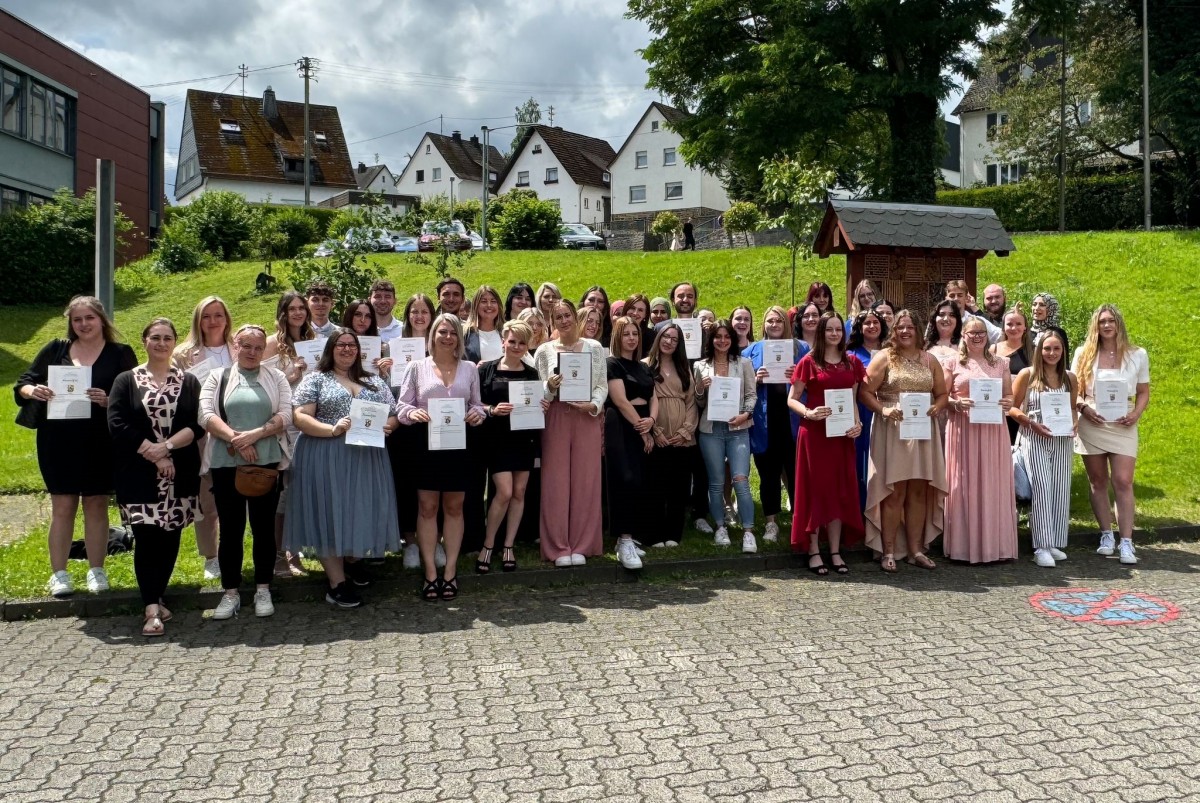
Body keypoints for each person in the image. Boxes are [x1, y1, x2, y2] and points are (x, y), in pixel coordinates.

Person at [15, 295, 137, 597]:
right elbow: (23, 383)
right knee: (63, 505)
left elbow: (134, 397)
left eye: (89, 318)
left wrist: (109, 400)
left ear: (102, 320)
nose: (83, 324)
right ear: (71, 323)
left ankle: (96, 570)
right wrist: (34, 390)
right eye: (77, 319)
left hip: (101, 441)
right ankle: (59, 574)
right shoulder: (56, 349)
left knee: (96, 504)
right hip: (58, 441)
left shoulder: (121, 353)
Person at [285, 330, 400, 607]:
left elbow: (394, 415)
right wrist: (332, 429)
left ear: (359, 351)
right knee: (329, 512)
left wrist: (389, 426)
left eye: (352, 345)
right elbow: (300, 417)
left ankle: (353, 562)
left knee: (358, 509)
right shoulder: (316, 379)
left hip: (366, 458)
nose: (347, 349)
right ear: (330, 350)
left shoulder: (374, 380)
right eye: (341, 345)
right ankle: (337, 583)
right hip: (326, 454)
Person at [108, 318, 204, 636]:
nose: (161, 343)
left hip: (180, 472)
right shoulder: (126, 380)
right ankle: (151, 608)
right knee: (147, 539)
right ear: (144, 341)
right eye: (155, 338)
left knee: (170, 539)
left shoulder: (188, 381)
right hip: (138, 473)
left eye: (167, 338)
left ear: (174, 342)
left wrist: (167, 448)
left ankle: (157, 596)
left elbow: (197, 423)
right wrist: (153, 452)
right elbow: (117, 421)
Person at [199, 324, 292, 619]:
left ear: (264, 350)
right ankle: (231, 593)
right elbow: (206, 415)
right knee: (231, 530)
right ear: (235, 346)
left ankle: (263, 589)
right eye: (245, 345)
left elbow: (286, 415)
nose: (252, 352)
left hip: (265, 461)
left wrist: (253, 436)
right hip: (226, 463)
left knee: (264, 528)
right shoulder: (218, 376)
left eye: (257, 347)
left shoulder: (275, 377)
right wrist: (236, 440)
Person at [394, 313, 488, 599]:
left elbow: (478, 404)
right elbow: (402, 405)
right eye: (442, 332)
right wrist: (412, 412)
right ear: (432, 334)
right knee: (427, 507)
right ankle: (430, 573)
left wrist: (477, 413)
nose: (448, 337)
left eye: (453, 333)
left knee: (455, 507)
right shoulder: (416, 367)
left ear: (459, 338)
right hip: (427, 445)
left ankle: (450, 571)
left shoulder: (470, 368)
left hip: (460, 446)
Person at [859, 309, 949, 572]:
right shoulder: (884, 358)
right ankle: (888, 550)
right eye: (900, 328)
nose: (905, 332)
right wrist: (884, 410)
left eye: (910, 327)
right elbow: (865, 391)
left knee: (919, 491)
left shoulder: (929, 359)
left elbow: (942, 393)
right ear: (894, 331)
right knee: (894, 491)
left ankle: (915, 550)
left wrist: (937, 407)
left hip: (923, 430)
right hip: (893, 430)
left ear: (918, 330)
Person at [788, 312, 866, 575]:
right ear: (821, 333)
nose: (834, 334)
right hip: (814, 435)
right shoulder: (808, 362)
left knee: (838, 491)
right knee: (816, 490)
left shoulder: (852, 362)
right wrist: (808, 413)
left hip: (841, 437)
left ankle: (834, 551)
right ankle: (813, 550)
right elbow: (792, 398)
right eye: (829, 330)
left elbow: (853, 400)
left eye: (838, 330)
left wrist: (858, 424)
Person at [1072, 304, 1150, 565]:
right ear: (1096, 325)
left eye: (1111, 321)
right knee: (1097, 481)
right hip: (1092, 419)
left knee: (1123, 480)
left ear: (1119, 324)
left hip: (1123, 422)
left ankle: (1126, 541)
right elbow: (1074, 390)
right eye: (1102, 321)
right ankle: (1106, 534)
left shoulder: (1137, 354)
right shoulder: (1083, 353)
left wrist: (1135, 415)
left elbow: (1143, 392)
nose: (1107, 326)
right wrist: (1083, 409)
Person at [532, 299, 607, 567]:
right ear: (552, 321)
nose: (564, 320)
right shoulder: (544, 351)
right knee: (556, 482)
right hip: (557, 417)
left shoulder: (595, 348)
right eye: (558, 317)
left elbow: (601, 385)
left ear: (576, 317)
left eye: (568, 315)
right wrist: (549, 385)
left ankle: (583, 544)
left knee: (587, 481)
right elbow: (541, 392)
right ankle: (558, 546)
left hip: (586, 415)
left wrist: (594, 405)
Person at [941, 317, 1018, 564]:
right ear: (963, 335)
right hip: (963, 429)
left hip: (993, 431)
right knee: (963, 484)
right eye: (972, 333)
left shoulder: (1001, 363)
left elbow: (1008, 395)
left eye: (981, 333)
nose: (977, 337)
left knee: (992, 483)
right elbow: (941, 396)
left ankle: (996, 546)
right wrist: (955, 403)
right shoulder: (953, 362)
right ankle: (963, 547)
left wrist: (1007, 402)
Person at [171, 295, 234, 580]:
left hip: (239, 430)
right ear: (198, 320)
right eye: (206, 316)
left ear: (226, 318)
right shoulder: (184, 354)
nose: (212, 321)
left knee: (240, 495)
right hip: (202, 433)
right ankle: (211, 556)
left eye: (218, 315)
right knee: (206, 499)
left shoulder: (238, 347)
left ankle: (235, 551)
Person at [475, 321, 545, 574]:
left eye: (522, 343)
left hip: (524, 438)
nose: (516, 346)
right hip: (497, 439)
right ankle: (488, 543)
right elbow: (475, 404)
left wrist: (542, 407)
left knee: (519, 492)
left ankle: (508, 545)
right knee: (503, 492)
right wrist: (492, 410)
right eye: (512, 341)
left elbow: (536, 403)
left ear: (527, 346)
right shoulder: (487, 370)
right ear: (503, 341)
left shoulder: (531, 373)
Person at [1010, 327, 1078, 568]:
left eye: (1056, 349)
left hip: (1061, 439)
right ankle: (1040, 545)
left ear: (1063, 351)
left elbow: (1071, 408)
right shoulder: (1027, 375)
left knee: (1060, 488)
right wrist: (1029, 422)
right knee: (1042, 487)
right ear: (1039, 350)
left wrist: (1075, 424)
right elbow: (1012, 407)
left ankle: (1054, 542)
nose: (1051, 353)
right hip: (1034, 437)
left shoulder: (1069, 377)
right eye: (1047, 348)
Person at [744, 306, 807, 542]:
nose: (774, 325)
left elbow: (813, 382)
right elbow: (743, 389)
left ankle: (798, 521)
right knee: (768, 474)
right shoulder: (751, 351)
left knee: (796, 473)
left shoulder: (801, 348)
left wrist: (798, 377)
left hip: (793, 421)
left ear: (786, 324)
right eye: (770, 321)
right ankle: (771, 522)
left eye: (779, 321)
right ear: (764, 324)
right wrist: (756, 379)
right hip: (764, 423)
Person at [262, 291, 314, 577]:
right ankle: (279, 555)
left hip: (308, 422)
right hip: (283, 425)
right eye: (292, 308)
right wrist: (291, 376)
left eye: (301, 308)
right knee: (282, 493)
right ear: (282, 312)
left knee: (299, 491)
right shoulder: (272, 344)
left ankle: (296, 551)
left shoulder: (312, 342)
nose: (297, 313)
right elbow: (265, 384)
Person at [693, 319, 758, 552]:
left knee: (741, 480)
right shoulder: (701, 366)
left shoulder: (744, 363)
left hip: (738, 429)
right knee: (716, 482)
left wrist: (745, 414)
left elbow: (752, 395)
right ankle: (720, 527)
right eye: (717, 336)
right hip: (711, 429)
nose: (722, 341)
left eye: (726, 336)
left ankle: (748, 531)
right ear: (711, 340)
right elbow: (698, 401)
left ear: (732, 339)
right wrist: (702, 387)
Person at [605, 316, 658, 570]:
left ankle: (628, 536)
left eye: (635, 334)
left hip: (643, 423)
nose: (631, 338)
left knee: (640, 480)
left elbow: (654, 397)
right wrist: (643, 429)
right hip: (623, 426)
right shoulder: (612, 364)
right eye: (626, 334)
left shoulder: (644, 366)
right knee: (624, 479)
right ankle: (623, 539)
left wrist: (652, 421)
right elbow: (620, 400)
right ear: (618, 336)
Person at [391, 293, 437, 569]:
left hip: (436, 426)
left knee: (434, 486)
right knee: (407, 485)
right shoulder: (395, 347)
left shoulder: (443, 347)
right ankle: (410, 541)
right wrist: (384, 368)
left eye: (424, 312)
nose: (419, 317)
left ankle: (434, 540)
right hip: (405, 428)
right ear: (407, 316)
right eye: (414, 312)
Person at [644, 323, 698, 548]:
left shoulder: (684, 367)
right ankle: (655, 534)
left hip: (681, 439)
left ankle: (673, 534)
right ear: (658, 338)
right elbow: (645, 401)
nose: (669, 342)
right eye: (665, 337)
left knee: (678, 487)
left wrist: (685, 431)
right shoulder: (645, 366)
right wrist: (655, 432)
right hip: (657, 437)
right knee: (656, 486)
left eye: (674, 339)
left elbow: (691, 403)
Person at [847, 308, 888, 511]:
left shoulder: (892, 351)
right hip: (863, 412)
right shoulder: (851, 355)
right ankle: (863, 511)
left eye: (876, 322)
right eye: (867, 323)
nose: (872, 326)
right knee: (862, 464)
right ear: (859, 328)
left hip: (889, 414)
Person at [991, 305, 1033, 445]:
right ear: (1003, 327)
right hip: (999, 408)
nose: (1014, 328)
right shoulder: (994, 349)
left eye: (1018, 324)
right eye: (1009, 324)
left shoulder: (1034, 351)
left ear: (1025, 327)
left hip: (1024, 411)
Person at [341, 299, 393, 380]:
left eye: (368, 316)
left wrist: (383, 372)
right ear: (349, 316)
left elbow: (387, 386)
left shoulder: (382, 348)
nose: (363, 320)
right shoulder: (336, 344)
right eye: (358, 314)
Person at [464, 285, 506, 363]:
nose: (489, 305)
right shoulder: (466, 333)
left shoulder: (506, 332)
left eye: (493, 301)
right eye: (484, 301)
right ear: (476, 306)